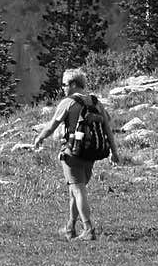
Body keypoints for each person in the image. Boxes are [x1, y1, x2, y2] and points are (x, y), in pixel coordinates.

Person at [32, 68, 121, 241]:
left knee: (78, 190)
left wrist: (39, 138)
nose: (63, 88)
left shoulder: (68, 102)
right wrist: (114, 151)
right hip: (91, 152)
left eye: (64, 85)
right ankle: (70, 227)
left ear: (73, 84)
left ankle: (88, 229)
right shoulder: (95, 102)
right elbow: (107, 127)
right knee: (75, 190)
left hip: (72, 152)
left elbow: (52, 126)